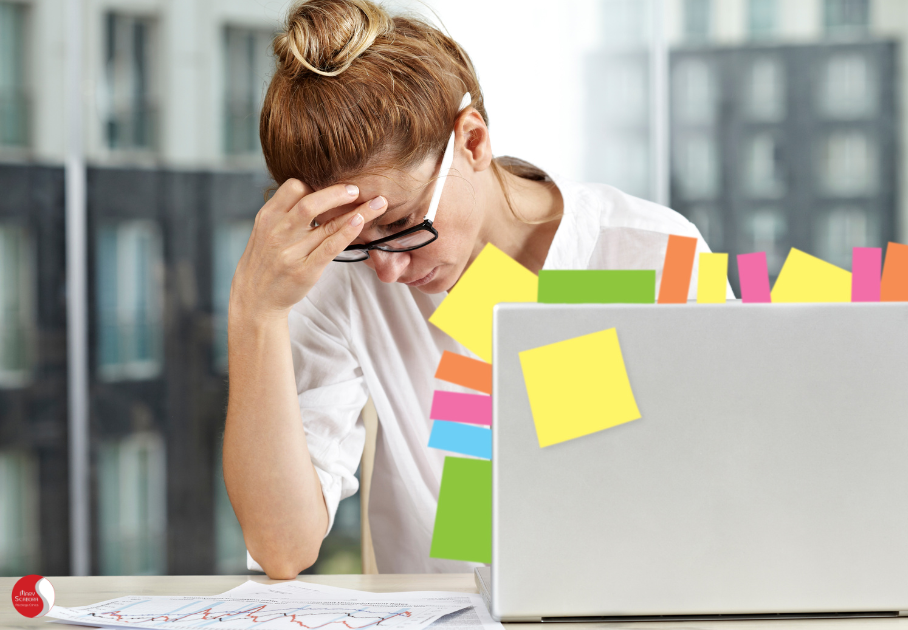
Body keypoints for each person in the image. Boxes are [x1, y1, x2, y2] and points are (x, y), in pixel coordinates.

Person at [223, 0, 728, 579]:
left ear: (472, 141)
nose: (387, 269)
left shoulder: (649, 248)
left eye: (404, 223)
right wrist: (253, 311)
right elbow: (282, 548)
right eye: (356, 239)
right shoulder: (344, 276)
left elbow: (723, 479)